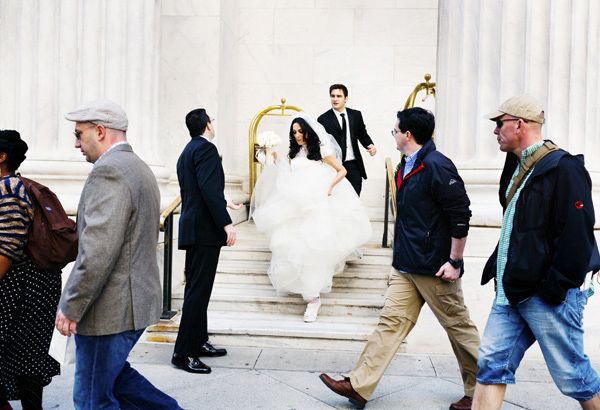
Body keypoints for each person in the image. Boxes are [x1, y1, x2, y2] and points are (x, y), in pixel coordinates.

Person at [319, 107, 480, 410]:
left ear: (408, 134)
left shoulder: (437, 165)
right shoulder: (407, 165)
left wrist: (455, 261)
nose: (392, 134)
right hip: (406, 263)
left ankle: (483, 392)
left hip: (434, 266)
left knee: (459, 328)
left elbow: (460, 214)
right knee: (389, 324)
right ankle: (359, 384)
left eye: (394, 130)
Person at [472, 94, 600, 410]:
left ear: (519, 124)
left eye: (498, 124)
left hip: (544, 295)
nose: (494, 131)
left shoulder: (563, 168)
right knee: (491, 365)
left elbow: (578, 234)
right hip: (510, 291)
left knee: (574, 377)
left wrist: (554, 288)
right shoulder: (518, 166)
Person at [55, 100, 183, 410]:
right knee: (116, 379)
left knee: (91, 400)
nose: (75, 144)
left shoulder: (109, 171)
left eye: (78, 134)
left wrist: (71, 306)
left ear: (99, 131)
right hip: (129, 303)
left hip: (109, 311)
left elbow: (97, 251)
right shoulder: (138, 166)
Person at [250, 113, 371, 322]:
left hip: (317, 205)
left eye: (300, 131)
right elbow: (284, 174)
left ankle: (313, 299)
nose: (297, 135)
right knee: (291, 245)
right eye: (294, 132)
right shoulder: (292, 154)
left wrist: (330, 186)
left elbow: (341, 170)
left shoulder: (321, 150)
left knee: (314, 247)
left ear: (308, 131)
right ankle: (308, 293)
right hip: (294, 206)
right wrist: (271, 157)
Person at [172, 108, 236, 374]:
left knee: (198, 288)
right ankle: (183, 352)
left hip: (193, 227)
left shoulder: (187, 151)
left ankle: (199, 341)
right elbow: (209, 189)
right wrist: (227, 222)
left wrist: (224, 201)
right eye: (212, 120)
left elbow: (200, 190)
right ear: (208, 125)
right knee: (198, 291)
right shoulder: (208, 150)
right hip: (205, 231)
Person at [0, 130, 60, 410]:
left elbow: (8, 246)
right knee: (27, 358)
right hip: (32, 284)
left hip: (22, 286)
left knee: (27, 359)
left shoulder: (9, 189)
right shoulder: (14, 186)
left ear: (1, 157)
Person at [317, 84, 376, 195]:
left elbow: (363, 134)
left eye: (339, 96)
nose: (335, 99)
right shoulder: (323, 119)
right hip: (334, 167)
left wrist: (370, 145)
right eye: (332, 96)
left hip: (354, 166)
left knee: (355, 199)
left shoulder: (356, 115)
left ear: (346, 98)